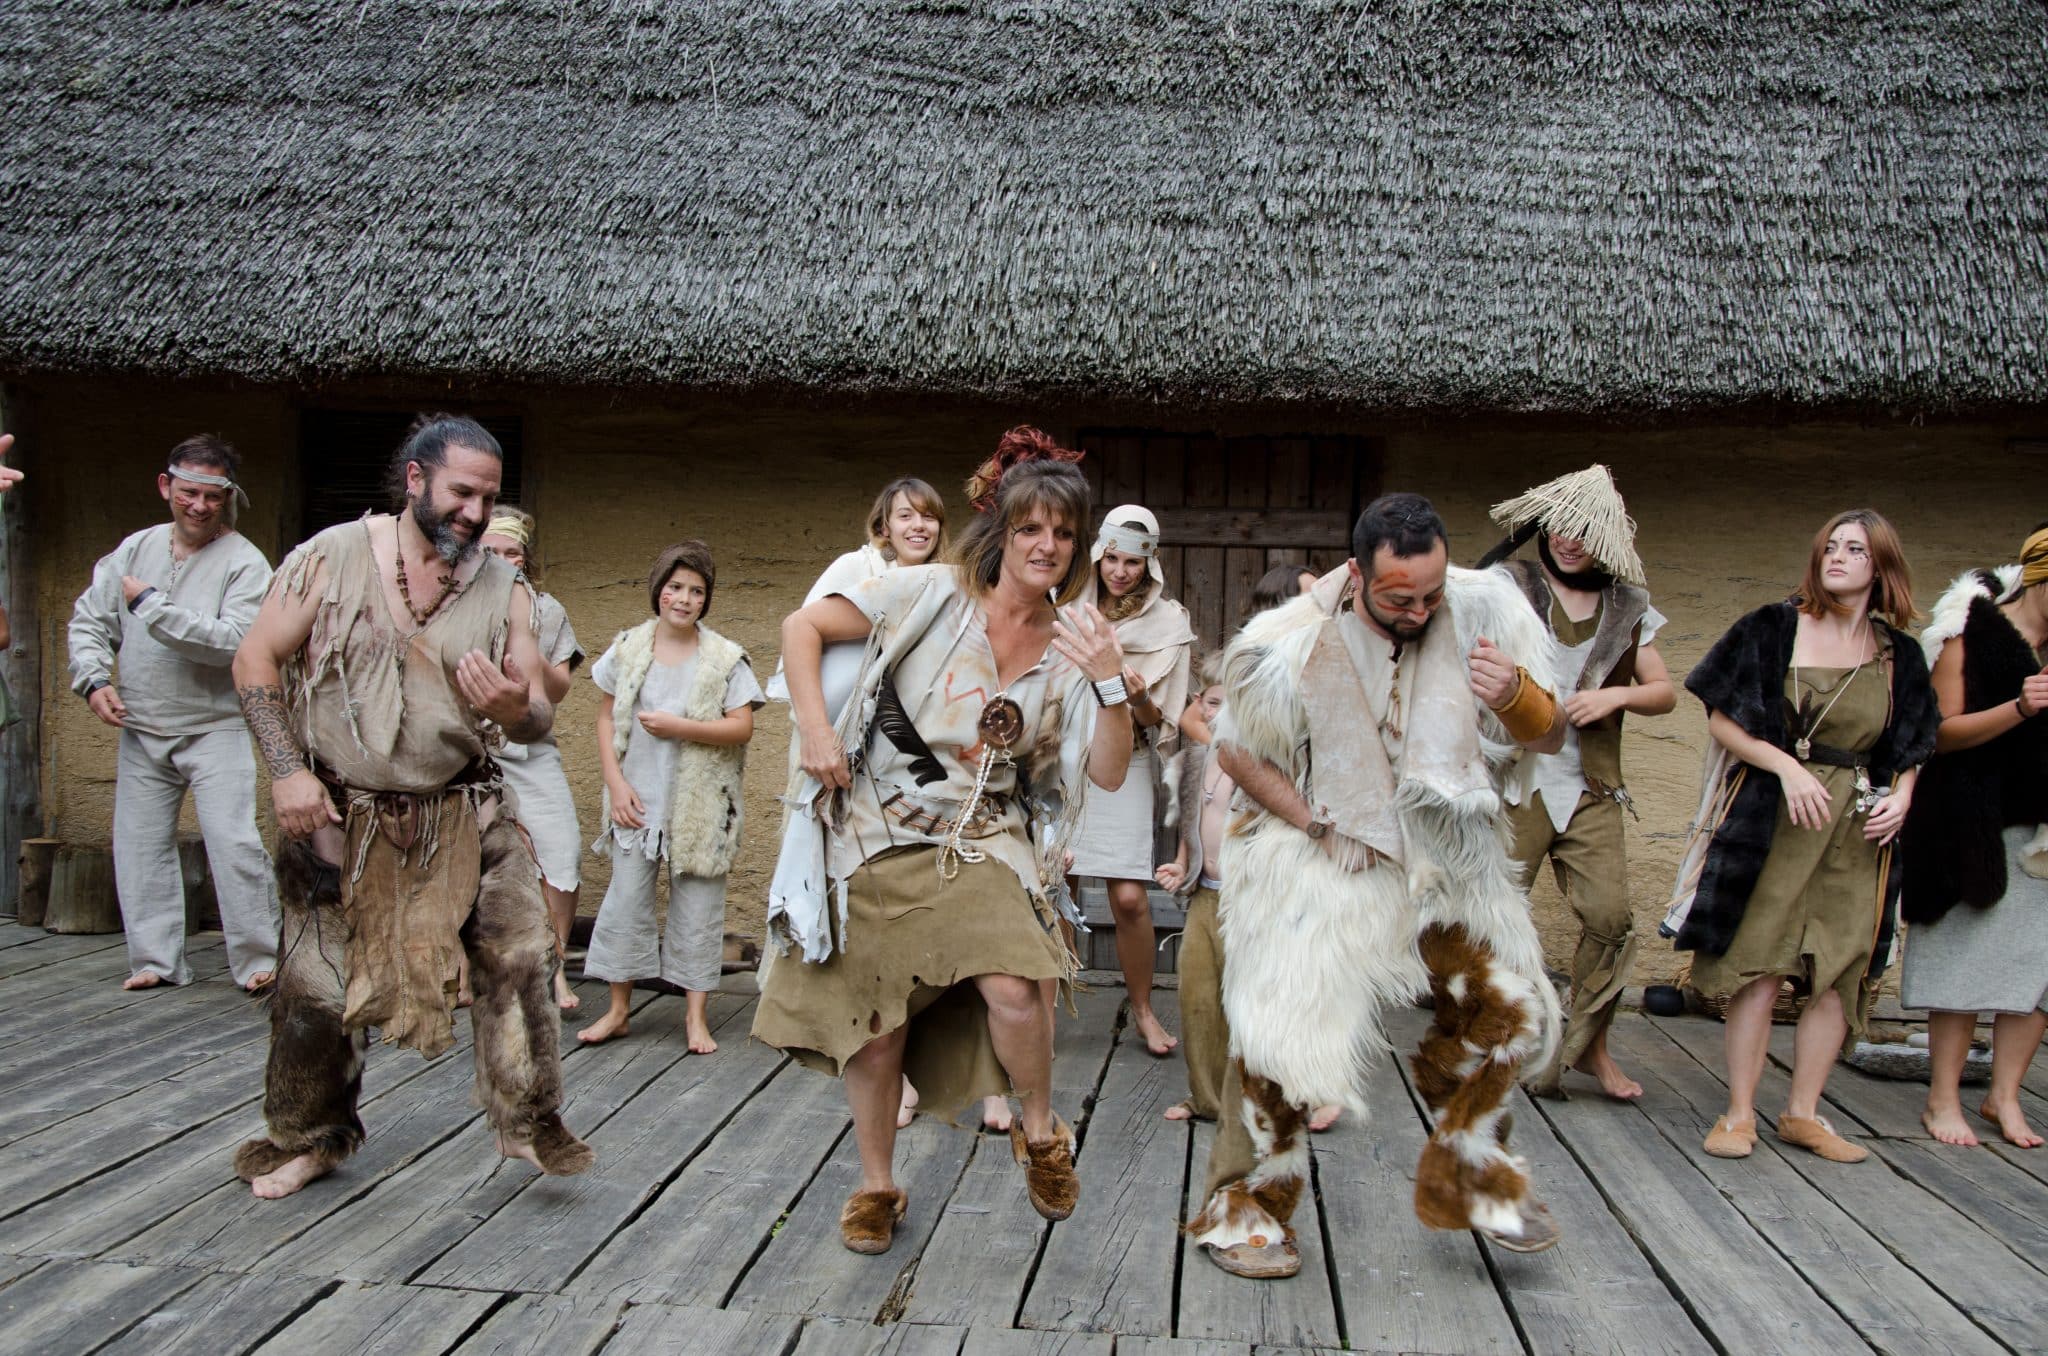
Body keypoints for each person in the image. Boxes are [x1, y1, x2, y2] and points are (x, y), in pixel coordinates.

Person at [754, 427, 1132, 1254]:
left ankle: (1039, 1131)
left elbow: (1107, 773)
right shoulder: (929, 592)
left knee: (1015, 982)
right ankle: (876, 1185)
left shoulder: (1076, 644)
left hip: (984, 836)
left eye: (1064, 534)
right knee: (878, 1027)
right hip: (882, 828)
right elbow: (800, 628)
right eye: (1031, 528)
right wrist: (815, 730)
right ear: (1003, 530)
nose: (1047, 546)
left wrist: (1110, 682)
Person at [1187, 493, 1569, 1278]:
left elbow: (1552, 735)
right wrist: (1315, 823)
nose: (1419, 612)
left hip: (1443, 853)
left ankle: (1472, 1169)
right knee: (1278, 1035)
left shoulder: (1487, 611)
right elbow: (1235, 754)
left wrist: (1514, 696)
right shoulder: (1284, 643)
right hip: (1318, 850)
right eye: (1400, 599)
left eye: (1431, 594)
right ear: (1356, 574)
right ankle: (1245, 1205)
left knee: (1507, 1009)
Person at [229, 413, 594, 1199]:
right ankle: (308, 1137)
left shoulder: (506, 589)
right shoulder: (326, 558)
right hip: (339, 811)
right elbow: (254, 659)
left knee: (521, 954)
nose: (475, 513)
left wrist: (516, 708)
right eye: (462, 493)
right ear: (416, 479)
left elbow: (537, 712)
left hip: (465, 808)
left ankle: (527, 1121)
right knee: (317, 986)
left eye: (489, 499)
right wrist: (287, 772)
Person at [1672, 510, 1937, 1166]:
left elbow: (1914, 740)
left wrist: (1903, 795)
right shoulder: (1772, 627)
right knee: (1761, 965)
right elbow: (1722, 719)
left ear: (1881, 567)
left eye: (1855, 549)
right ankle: (1739, 1112)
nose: (1837, 557)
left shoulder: (1898, 654)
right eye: (1830, 547)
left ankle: (1803, 1113)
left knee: (1838, 972)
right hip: (1776, 818)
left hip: (1857, 830)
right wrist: (1786, 767)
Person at [1476, 465, 1676, 1100]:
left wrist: (1617, 694)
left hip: (1589, 786)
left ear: (1606, 540)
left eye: (1584, 531)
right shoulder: (1508, 585)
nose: (1568, 540)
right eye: (1560, 527)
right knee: (1494, 915)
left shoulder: (1628, 607)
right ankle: (1495, 1040)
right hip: (1515, 779)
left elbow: (1664, 691)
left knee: (1612, 919)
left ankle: (1588, 1045)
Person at [766, 476, 960, 1127]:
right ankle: (874, 1065)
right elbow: (803, 639)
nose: (918, 527)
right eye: (906, 516)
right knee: (859, 915)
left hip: (904, 769)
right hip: (842, 763)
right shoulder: (857, 571)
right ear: (883, 526)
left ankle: (923, 1064)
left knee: (916, 917)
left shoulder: (940, 586)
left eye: (929, 518)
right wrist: (817, 733)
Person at [67, 435, 279, 992]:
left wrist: (151, 607)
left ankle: (259, 959)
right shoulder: (135, 549)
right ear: (166, 486)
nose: (199, 506)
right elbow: (90, 620)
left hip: (214, 726)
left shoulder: (245, 561)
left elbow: (233, 641)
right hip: (141, 727)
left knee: (233, 843)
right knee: (139, 845)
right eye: (188, 492)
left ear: (227, 496)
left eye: (212, 496)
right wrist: (93, 680)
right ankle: (155, 961)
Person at [579, 540, 764, 1053]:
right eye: (675, 587)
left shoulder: (724, 657)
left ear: (707, 599)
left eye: (697, 591)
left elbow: (742, 726)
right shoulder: (628, 647)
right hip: (637, 798)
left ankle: (696, 1018)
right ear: (658, 589)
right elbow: (604, 716)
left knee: (699, 909)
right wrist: (615, 783)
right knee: (626, 902)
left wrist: (681, 727)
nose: (684, 599)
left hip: (700, 807)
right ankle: (618, 1010)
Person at [1899, 529, 2048, 1149]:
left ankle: (2003, 1097)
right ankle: (1942, 1099)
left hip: (2041, 829)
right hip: (1970, 819)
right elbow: (1940, 732)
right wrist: (2021, 707)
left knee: (2038, 968)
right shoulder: (1971, 631)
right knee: (1963, 958)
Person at [1069, 504, 1194, 1057]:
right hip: (1062, 758)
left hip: (1126, 757)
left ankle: (1142, 1009)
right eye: (1112, 559)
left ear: (1150, 564)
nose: (1120, 572)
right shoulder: (1066, 605)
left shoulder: (1168, 624)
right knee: (1056, 885)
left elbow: (1157, 720)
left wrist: (1139, 696)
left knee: (1128, 898)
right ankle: (1046, 1004)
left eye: (1133, 563)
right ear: (1099, 554)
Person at [479, 508, 586, 1012]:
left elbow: (558, 689)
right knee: (466, 860)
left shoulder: (547, 608)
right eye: (491, 551)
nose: (502, 560)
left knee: (561, 852)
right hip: (470, 746)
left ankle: (553, 967)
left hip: (530, 746)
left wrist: (525, 638)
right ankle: (468, 970)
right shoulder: (453, 601)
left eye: (512, 553)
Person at [1157, 658, 1229, 1122]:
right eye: (1215, 703)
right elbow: (1191, 821)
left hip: (1251, 900)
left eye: (1235, 705)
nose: (1222, 714)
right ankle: (1205, 1098)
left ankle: (1261, 1101)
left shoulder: (1260, 760)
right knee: (1196, 994)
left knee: (1246, 1005)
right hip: (1205, 893)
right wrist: (1182, 865)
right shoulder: (1195, 760)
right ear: (1200, 703)